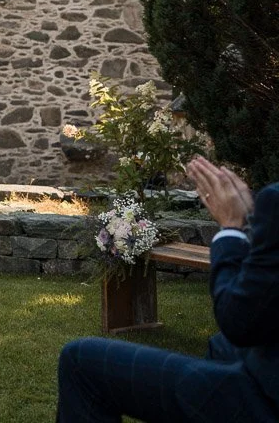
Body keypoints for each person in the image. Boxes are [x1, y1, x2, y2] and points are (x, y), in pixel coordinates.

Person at [56, 156, 279, 421]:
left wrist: (231, 228)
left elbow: (238, 320)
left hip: (264, 396)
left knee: (79, 360)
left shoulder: (274, 200)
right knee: (220, 345)